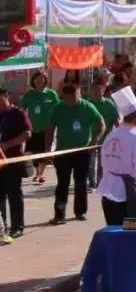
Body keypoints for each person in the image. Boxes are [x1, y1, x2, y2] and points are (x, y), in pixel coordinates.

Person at [46, 84, 105, 224]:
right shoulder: (57, 108)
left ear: (79, 94)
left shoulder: (87, 107)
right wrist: (48, 148)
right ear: (63, 96)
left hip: (82, 152)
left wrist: (95, 140)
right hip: (63, 151)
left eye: (73, 97)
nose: (70, 101)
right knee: (62, 183)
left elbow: (101, 123)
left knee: (81, 183)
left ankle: (80, 212)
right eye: (67, 98)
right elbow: (50, 129)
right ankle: (59, 215)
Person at [97, 87, 136, 225]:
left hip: (108, 190)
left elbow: (103, 162)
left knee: (112, 229)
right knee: (129, 232)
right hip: (126, 194)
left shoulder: (111, 135)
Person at [0, 88, 30, 237]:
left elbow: (27, 133)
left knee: (14, 194)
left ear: (6, 96)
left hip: (13, 160)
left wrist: (9, 144)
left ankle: (17, 227)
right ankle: (2, 227)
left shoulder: (17, 113)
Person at [19, 71, 59, 185]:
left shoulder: (51, 94)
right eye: (37, 80)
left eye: (42, 79)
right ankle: (37, 172)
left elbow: (58, 108)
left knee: (44, 151)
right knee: (33, 151)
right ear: (33, 81)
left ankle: (40, 174)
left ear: (45, 81)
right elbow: (21, 109)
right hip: (33, 129)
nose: (40, 82)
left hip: (47, 129)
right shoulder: (29, 94)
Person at [86, 76, 119, 190]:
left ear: (103, 90)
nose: (96, 92)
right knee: (90, 162)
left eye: (99, 89)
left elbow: (116, 121)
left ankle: (100, 181)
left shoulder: (109, 104)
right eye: (94, 90)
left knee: (102, 162)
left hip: (106, 139)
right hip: (91, 139)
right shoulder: (87, 104)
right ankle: (91, 182)